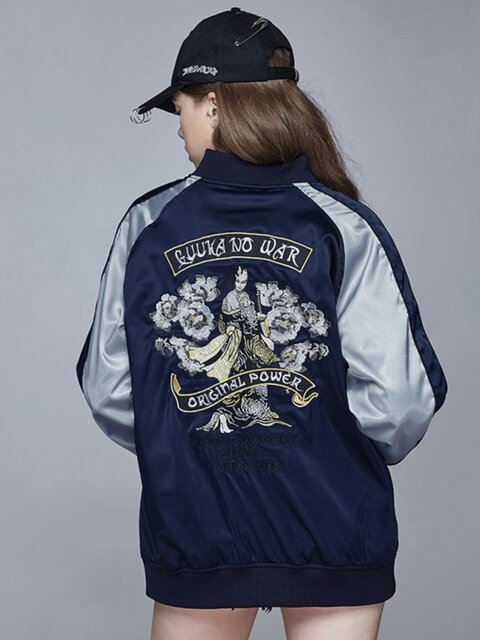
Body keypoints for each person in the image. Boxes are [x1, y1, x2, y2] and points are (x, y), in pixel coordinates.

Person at [76, 8, 448, 640]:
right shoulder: (345, 225)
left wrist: (186, 445)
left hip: (195, 532)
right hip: (336, 532)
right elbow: (400, 405)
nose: (179, 128)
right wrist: (318, 440)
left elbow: (109, 389)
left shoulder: (147, 225)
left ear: (213, 102)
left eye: (180, 108)